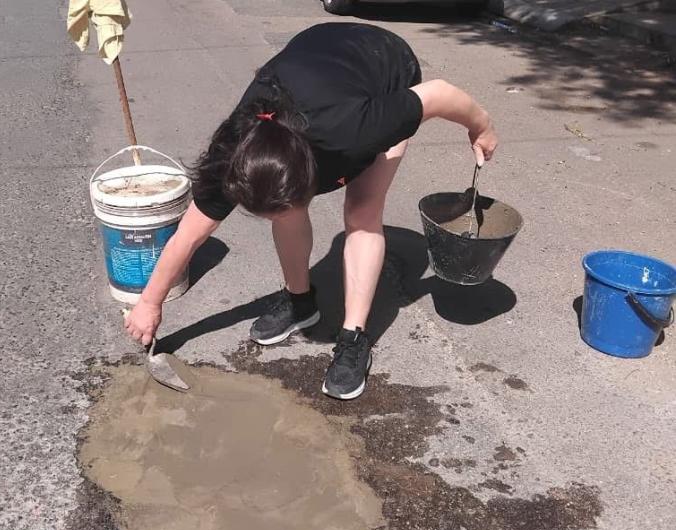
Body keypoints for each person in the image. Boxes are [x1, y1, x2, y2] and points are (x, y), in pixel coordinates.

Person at [124, 22, 497, 400]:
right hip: (317, 61)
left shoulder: (357, 128)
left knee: (362, 210)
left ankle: (354, 338)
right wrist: (149, 303)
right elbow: (190, 234)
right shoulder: (235, 153)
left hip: (384, 66)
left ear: (314, 176)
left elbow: (439, 93)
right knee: (286, 212)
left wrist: (481, 127)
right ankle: (299, 302)